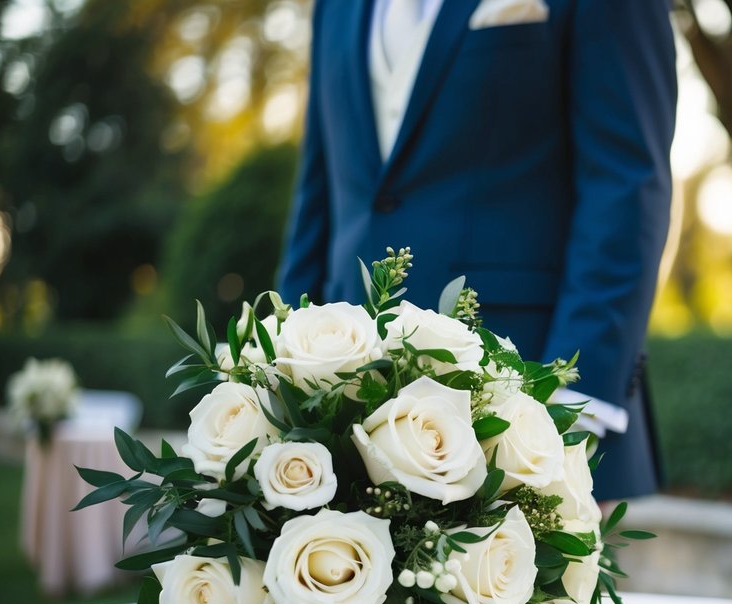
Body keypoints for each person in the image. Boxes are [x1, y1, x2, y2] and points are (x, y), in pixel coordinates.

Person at [277, 0, 676, 501]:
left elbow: (627, 185)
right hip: (336, 412)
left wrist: (572, 408)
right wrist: (279, 368)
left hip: (517, 402)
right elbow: (319, 192)